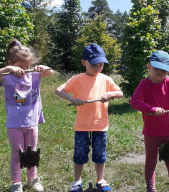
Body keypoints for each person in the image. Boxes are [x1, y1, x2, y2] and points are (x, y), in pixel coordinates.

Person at [55, 43, 123, 192]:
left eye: (101, 65)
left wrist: (110, 94)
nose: (98, 68)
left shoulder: (105, 79)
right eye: (94, 65)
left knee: (99, 154)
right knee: (79, 154)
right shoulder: (77, 79)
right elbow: (58, 90)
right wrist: (72, 99)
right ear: (83, 62)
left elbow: (120, 93)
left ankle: (100, 179)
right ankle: (77, 181)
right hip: (82, 126)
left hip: (100, 125)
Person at [130, 50, 169, 192]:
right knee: (151, 161)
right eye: (157, 68)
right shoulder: (145, 83)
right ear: (148, 67)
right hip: (151, 132)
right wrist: (151, 109)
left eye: (164, 70)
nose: (160, 72)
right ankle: (151, 188)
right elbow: (134, 101)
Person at [0, 39, 53, 192]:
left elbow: (50, 72)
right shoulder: (7, 77)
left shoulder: (34, 75)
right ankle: (16, 183)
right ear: (10, 63)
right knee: (17, 155)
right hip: (15, 124)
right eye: (20, 67)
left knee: (32, 153)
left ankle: (33, 179)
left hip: (32, 122)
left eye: (27, 66)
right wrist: (7, 69)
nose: (24, 70)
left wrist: (41, 67)